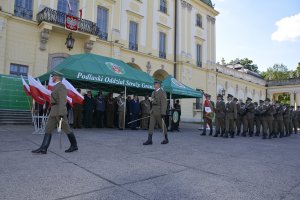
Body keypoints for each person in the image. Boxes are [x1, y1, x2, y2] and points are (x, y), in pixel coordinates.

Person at [32, 71, 78, 154]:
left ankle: (74, 145)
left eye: (53, 76)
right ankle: (43, 148)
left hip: (59, 111)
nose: (52, 78)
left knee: (66, 129)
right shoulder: (55, 86)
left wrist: (61, 112)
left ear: (57, 77)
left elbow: (63, 100)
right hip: (54, 110)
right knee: (48, 129)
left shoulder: (61, 86)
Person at [143, 80, 168, 145]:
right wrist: (153, 101)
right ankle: (149, 140)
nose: (154, 85)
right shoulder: (153, 92)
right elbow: (152, 101)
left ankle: (166, 138)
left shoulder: (162, 92)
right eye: (154, 84)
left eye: (156, 84)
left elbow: (164, 103)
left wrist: (163, 112)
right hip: (153, 111)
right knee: (151, 125)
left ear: (159, 85)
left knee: (162, 125)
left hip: (159, 111)